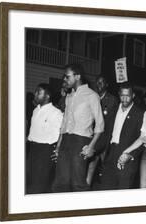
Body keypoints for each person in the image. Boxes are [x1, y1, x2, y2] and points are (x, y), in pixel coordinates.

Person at [52, 64, 104, 192]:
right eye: (65, 77)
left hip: (81, 141)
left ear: (77, 77)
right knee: (61, 182)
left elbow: (100, 124)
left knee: (78, 183)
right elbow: (64, 123)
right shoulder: (69, 97)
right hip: (66, 141)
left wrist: (91, 146)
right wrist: (58, 146)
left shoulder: (92, 95)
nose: (65, 79)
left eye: (67, 76)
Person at [94, 82, 144, 190]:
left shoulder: (139, 114)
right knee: (105, 190)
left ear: (133, 96)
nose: (125, 99)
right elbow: (106, 134)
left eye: (128, 96)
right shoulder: (113, 110)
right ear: (119, 95)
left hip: (126, 157)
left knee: (122, 194)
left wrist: (130, 155)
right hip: (111, 154)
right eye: (122, 95)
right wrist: (93, 148)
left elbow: (142, 140)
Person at [26, 83, 63, 194]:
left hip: (45, 151)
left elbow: (61, 132)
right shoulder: (35, 110)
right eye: (36, 91)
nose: (35, 94)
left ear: (47, 96)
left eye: (39, 92)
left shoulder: (56, 113)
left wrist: (58, 149)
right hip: (32, 149)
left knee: (40, 184)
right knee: (29, 181)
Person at [86, 75, 118, 186]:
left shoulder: (112, 100)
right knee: (90, 166)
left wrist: (108, 142)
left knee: (106, 168)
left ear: (106, 85)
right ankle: (85, 190)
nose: (99, 85)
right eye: (97, 82)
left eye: (101, 82)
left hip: (106, 139)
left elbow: (111, 123)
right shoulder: (93, 97)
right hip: (94, 139)